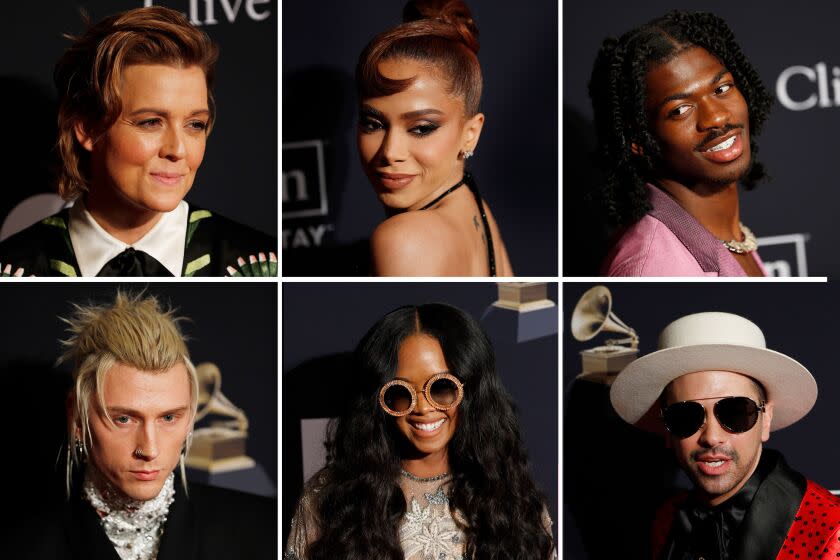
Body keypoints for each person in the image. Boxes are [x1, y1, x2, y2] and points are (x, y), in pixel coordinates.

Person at [0, 7, 276, 277]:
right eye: (150, 122)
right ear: (87, 128)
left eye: (195, 125)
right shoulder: (14, 269)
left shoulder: (261, 266)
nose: (178, 150)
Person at [11, 291, 276, 559]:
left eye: (169, 418)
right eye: (123, 419)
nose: (149, 450)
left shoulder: (266, 530)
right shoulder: (23, 546)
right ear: (76, 416)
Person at [286, 303, 554, 559]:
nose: (423, 408)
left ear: (472, 392)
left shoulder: (511, 498)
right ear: (378, 401)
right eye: (400, 393)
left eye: (441, 388)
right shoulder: (331, 498)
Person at [609, 311, 840, 558]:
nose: (711, 437)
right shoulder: (667, 519)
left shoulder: (831, 529)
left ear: (766, 419)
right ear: (667, 429)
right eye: (686, 416)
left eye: (735, 413)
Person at [588, 11, 772, 277]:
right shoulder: (652, 266)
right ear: (638, 140)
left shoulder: (724, 235)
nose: (717, 117)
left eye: (721, 89)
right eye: (680, 110)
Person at [355, 0, 512, 277]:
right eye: (373, 124)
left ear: (470, 134)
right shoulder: (475, 207)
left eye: (421, 128)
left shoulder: (403, 239)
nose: (390, 151)